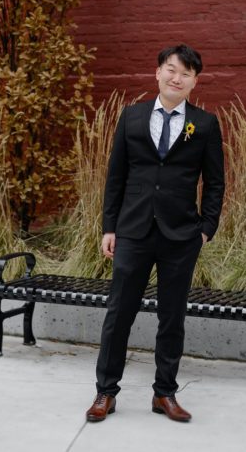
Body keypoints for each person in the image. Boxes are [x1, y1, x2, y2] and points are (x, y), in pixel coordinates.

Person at [86, 44, 224, 424]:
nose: (176, 78)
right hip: (133, 231)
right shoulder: (131, 118)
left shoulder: (205, 124)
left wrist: (206, 230)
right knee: (119, 313)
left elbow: (215, 183)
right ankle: (106, 392)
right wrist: (109, 227)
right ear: (158, 73)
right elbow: (116, 177)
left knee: (172, 317)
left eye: (186, 74)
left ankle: (164, 393)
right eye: (171, 70)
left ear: (194, 82)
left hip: (181, 236)